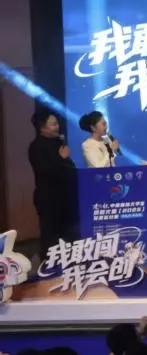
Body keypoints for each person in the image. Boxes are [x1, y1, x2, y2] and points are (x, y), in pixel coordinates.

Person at [28, 109, 77, 254]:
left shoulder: (58, 143)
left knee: (67, 232)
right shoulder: (36, 146)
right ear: (42, 127)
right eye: (53, 124)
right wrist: (61, 158)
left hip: (64, 196)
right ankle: (48, 261)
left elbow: (69, 167)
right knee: (50, 234)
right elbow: (44, 170)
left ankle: (68, 259)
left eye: (57, 123)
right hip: (48, 198)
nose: (57, 127)